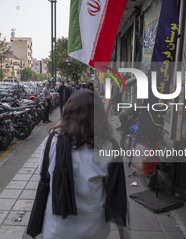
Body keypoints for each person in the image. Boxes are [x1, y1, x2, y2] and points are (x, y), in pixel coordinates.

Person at [38, 89, 131, 239]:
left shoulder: (52, 141)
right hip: (94, 229)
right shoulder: (108, 146)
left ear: (68, 112)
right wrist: (125, 233)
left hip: (56, 228)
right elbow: (118, 192)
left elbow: (43, 179)